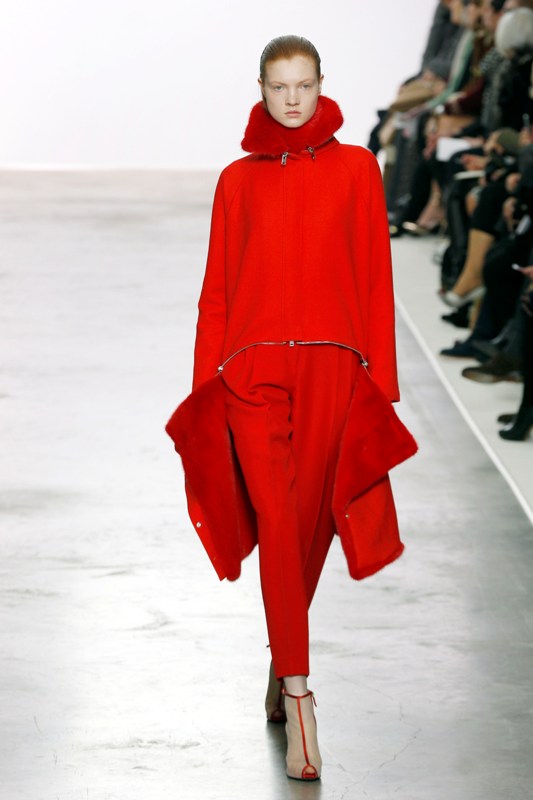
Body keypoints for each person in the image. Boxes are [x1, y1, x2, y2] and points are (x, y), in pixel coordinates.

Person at [165, 35, 417, 782]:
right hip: (252, 369)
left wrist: (380, 384)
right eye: (279, 87)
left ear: (320, 84)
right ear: (261, 89)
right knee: (277, 519)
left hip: (334, 363)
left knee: (310, 524)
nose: (293, 99)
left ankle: (282, 658)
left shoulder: (358, 168)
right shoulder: (236, 180)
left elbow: (374, 274)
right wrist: (205, 386)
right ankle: (302, 695)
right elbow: (216, 288)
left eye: (304, 85)